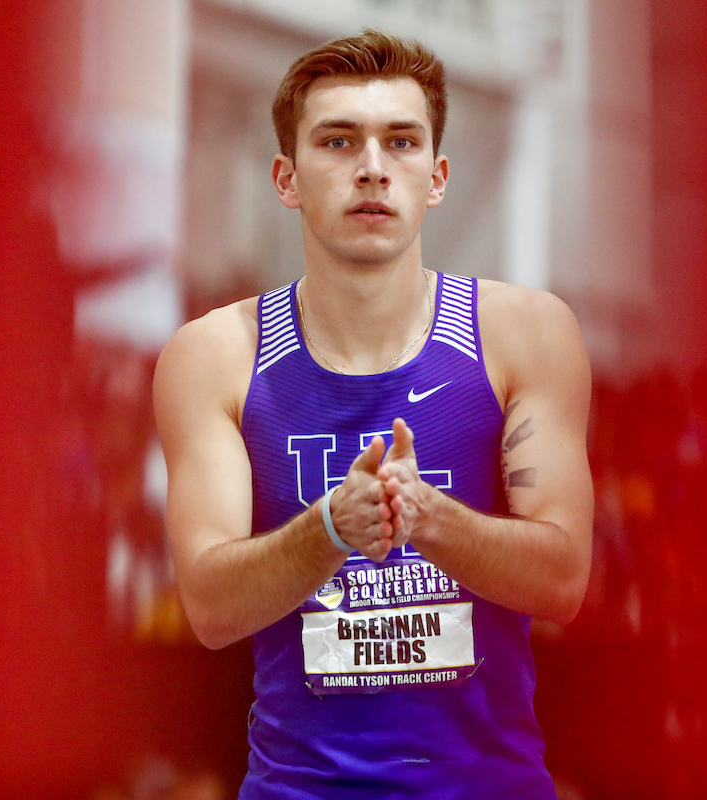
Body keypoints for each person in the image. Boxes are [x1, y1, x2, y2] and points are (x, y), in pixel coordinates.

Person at [154, 29, 593, 799]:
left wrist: (427, 518)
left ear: (437, 176)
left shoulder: (526, 333)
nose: (372, 167)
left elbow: (563, 581)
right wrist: (330, 530)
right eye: (338, 141)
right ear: (286, 179)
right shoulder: (214, 356)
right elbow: (210, 608)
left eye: (401, 142)